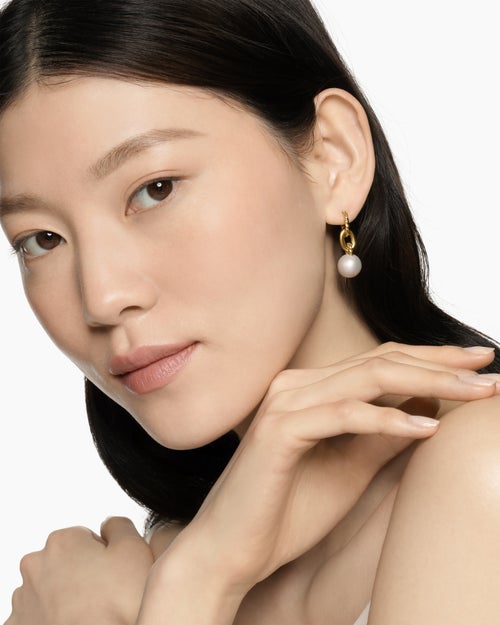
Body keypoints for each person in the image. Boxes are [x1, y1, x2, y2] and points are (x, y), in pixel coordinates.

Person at [1, 0, 500, 623]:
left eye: (155, 189)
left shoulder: (483, 468)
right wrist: (199, 575)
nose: (101, 298)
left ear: (333, 158)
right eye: (41, 239)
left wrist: (191, 587)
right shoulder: (159, 567)